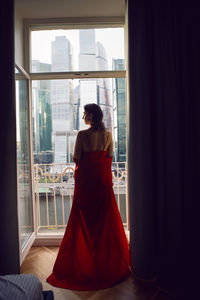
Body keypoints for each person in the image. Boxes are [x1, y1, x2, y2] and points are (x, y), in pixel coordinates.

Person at [47, 103, 130, 291]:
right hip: (102, 184)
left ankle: (85, 264)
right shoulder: (108, 135)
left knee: (84, 223)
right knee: (104, 223)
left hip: (86, 185)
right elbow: (108, 158)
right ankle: (104, 265)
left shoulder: (82, 136)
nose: (83, 115)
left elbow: (77, 157)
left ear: (91, 116)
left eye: (85, 113)